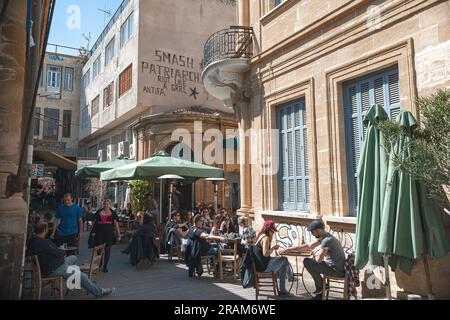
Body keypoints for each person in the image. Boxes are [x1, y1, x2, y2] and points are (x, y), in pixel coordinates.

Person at [27, 222, 114, 298]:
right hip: (54, 268)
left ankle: (73, 279)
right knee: (82, 276)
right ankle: (98, 291)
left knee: (73, 258)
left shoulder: (31, 241)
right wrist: (62, 254)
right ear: (45, 230)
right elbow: (59, 253)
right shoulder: (45, 242)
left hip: (49, 266)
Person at [282, 220, 346, 300]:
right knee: (310, 262)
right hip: (334, 267)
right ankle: (320, 291)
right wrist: (290, 249)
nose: (312, 234)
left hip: (336, 271)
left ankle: (321, 286)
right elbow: (309, 246)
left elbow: (318, 260)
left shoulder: (327, 241)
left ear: (318, 230)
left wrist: (314, 255)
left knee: (307, 262)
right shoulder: (325, 237)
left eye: (312, 232)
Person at [253, 220, 293, 296]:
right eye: (272, 231)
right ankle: (291, 277)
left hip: (260, 265)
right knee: (284, 259)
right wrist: (273, 248)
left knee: (283, 266)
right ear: (268, 230)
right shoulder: (266, 239)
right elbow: (265, 254)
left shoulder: (261, 236)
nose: (273, 233)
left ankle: (283, 290)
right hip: (263, 268)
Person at [91, 199, 121, 273]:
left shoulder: (113, 213)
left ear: (110, 205)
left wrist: (118, 234)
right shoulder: (99, 212)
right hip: (99, 233)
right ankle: (99, 262)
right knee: (99, 249)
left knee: (108, 249)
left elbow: (116, 224)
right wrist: (92, 231)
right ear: (103, 204)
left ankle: (105, 266)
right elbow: (94, 222)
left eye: (107, 204)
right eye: (104, 204)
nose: (106, 205)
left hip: (109, 233)